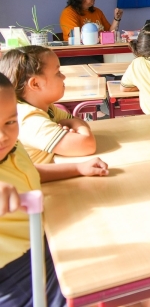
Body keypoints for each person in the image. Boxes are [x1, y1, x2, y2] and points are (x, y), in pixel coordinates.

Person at [0, 72, 109, 307]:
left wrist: (77, 168)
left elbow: (30, 172)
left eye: (9, 122)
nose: (2, 136)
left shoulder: (12, 147)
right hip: (16, 275)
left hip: (46, 241)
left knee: (145, 277)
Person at [0, 46, 96, 164]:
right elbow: (87, 144)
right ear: (35, 84)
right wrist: (74, 125)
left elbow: (80, 124)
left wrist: (74, 123)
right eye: (58, 73)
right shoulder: (29, 119)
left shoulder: (46, 107)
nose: (63, 77)